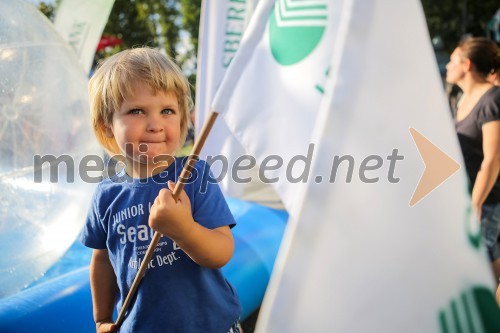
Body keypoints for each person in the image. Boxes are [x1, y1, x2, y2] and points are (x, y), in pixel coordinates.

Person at [80, 47, 241, 333]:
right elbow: (102, 259)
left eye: (167, 110)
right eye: (137, 111)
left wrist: (184, 230)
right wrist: (102, 318)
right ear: (107, 127)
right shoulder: (106, 194)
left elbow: (222, 251)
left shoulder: (193, 176)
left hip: (211, 325)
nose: (155, 125)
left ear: (181, 120)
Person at [446, 37, 500, 280]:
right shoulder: (462, 100)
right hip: (467, 198)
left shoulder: (492, 100)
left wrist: (476, 204)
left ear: (466, 65)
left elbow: (493, 158)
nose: (448, 66)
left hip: (487, 201)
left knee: (484, 273)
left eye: (452, 61)